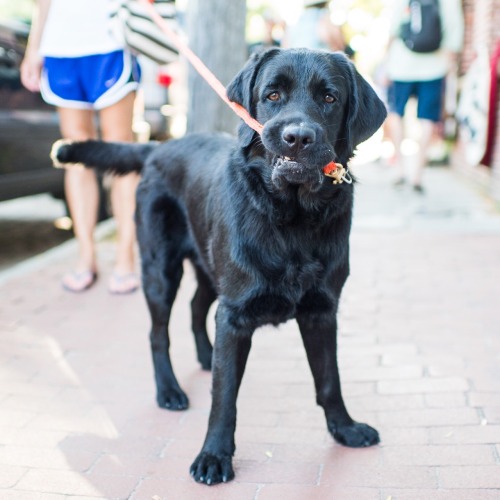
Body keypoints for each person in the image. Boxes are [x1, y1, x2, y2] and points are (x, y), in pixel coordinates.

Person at [21, 0, 142, 293]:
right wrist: (33, 49)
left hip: (112, 41)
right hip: (60, 46)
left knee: (120, 151)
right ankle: (85, 256)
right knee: (75, 153)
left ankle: (126, 256)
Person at [385, 0, 464, 193]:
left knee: (396, 112)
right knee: (427, 118)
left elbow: (394, 26)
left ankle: (400, 170)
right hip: (434, 66)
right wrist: (449, 59)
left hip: (401, 65)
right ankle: (417, 175)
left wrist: (386, 60)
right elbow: (454, 27)